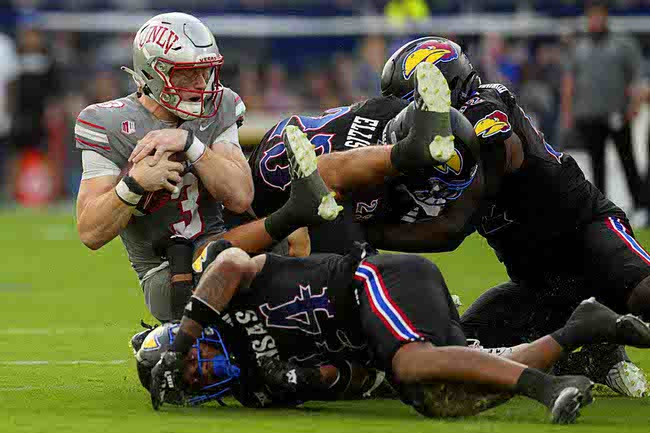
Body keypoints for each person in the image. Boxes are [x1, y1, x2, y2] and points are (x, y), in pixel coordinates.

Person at [379, 36, 650, 397]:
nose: (407, 114)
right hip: (539, 284)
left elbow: (452, 228)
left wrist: (371, 233)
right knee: (459, 350)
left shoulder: (486, 108)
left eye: (412, 100)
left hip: (586, 236)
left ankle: (601, 339)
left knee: (644, 293)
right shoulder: (434, 142)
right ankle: (589, 357)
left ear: (445, 87)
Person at [136, 238, 650, 424]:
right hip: (376, 335)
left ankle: (547, 387)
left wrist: (179, 338)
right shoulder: (253, 389)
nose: (200, 369)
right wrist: (312, 382)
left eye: (189, 360)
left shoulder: (217, 303)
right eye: (193, 378)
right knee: (435, 396)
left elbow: (227, 260)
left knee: (410, 364)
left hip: (370, 280)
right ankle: (578, 331)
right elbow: (358, 380)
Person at [75, 12, 254, 322]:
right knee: (232, 262)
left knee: (293, 240)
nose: (201, 84)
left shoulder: (220, 105)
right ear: (153, 74)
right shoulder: (107, 122)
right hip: (167, 273)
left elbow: (240, 196)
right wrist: (134, 184)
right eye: (187, 74)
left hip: (223, 245)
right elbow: (90, 231)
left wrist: (190, 144)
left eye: (205, 72)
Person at [561, 1, 645, 215]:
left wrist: (634, 106)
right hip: (589, 115)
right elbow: (569, 81)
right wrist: (567, 112)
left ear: (606, 17)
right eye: (592, 16)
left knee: (628, 160)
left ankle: (641, 206)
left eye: (599, 16)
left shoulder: (622, 44)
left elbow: (636, 78)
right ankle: (601, 209)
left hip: (617, 114)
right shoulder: (580, 48)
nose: (595, 21)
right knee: (597, 165)